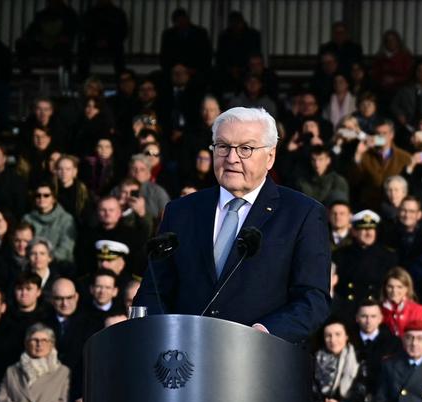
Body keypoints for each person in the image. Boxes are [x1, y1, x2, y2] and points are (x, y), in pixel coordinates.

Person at [133, 107, 331, 345]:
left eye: (245, 149)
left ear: (270, 156)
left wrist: (265, 333)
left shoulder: (302, 213)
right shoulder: (181, 211)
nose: (231, 158)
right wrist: (162, 337)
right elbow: (153, 290)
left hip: (259, 362)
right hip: (184, 361)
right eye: (223, 146)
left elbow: (313, 299)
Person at [0, 323, 70, 402]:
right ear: (26, 344)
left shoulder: (63, 372)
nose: (39, 344)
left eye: (45, 340)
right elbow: (2, 401)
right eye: (34, 340)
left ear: (52, 344)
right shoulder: (12, 371)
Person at [312, 318, 371, 402]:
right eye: (328, 335)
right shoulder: (316, 359)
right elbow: (311, 391)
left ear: (346, 336)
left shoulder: (360, 358)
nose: (333, 340)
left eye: (338, 334)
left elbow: (363, 390)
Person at [380, 267, 422, 338]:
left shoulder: (418, 310)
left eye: (399, 287)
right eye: (390, 287)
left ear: (407, 289)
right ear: (385, 288)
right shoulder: (378, 310)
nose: (394, 291)